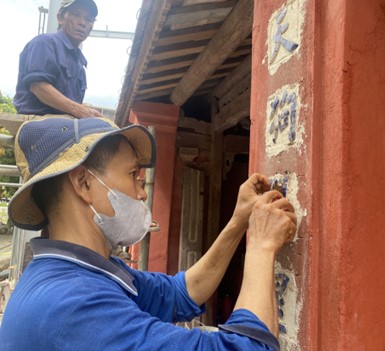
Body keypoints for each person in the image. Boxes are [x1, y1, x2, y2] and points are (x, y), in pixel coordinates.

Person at [0, 117, 297, 350]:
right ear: (84, 183)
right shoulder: (72, 304)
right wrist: (260, 247)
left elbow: (180, 293)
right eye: (133, 176)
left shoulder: (84, 274)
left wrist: (239, 222)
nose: (142, 194)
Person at [13, 0, 104, 118]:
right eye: (76, 15)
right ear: (60, 18)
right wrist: (81, 111)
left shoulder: (79, 62)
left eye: (89, 19)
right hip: (37, 121)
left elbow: (73, 106)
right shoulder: (44, 43)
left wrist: (90, 113)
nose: (82, 23)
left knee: (111, 130)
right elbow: (39, 87)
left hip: (65, 124)